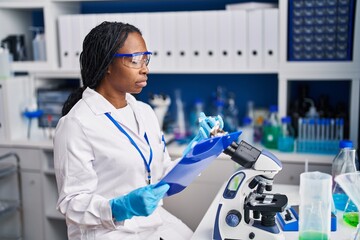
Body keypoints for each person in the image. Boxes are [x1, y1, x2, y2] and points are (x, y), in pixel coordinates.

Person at [53, 21, 198, 240]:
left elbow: (159, 175)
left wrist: (199, 152)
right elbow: (72, 203)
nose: (145, 68)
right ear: (107, 64)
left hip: (154, 223)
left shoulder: (145, 112)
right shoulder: (76, 124)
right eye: (134, 60)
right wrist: (121, 207)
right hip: (109, 232)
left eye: (146, 58)